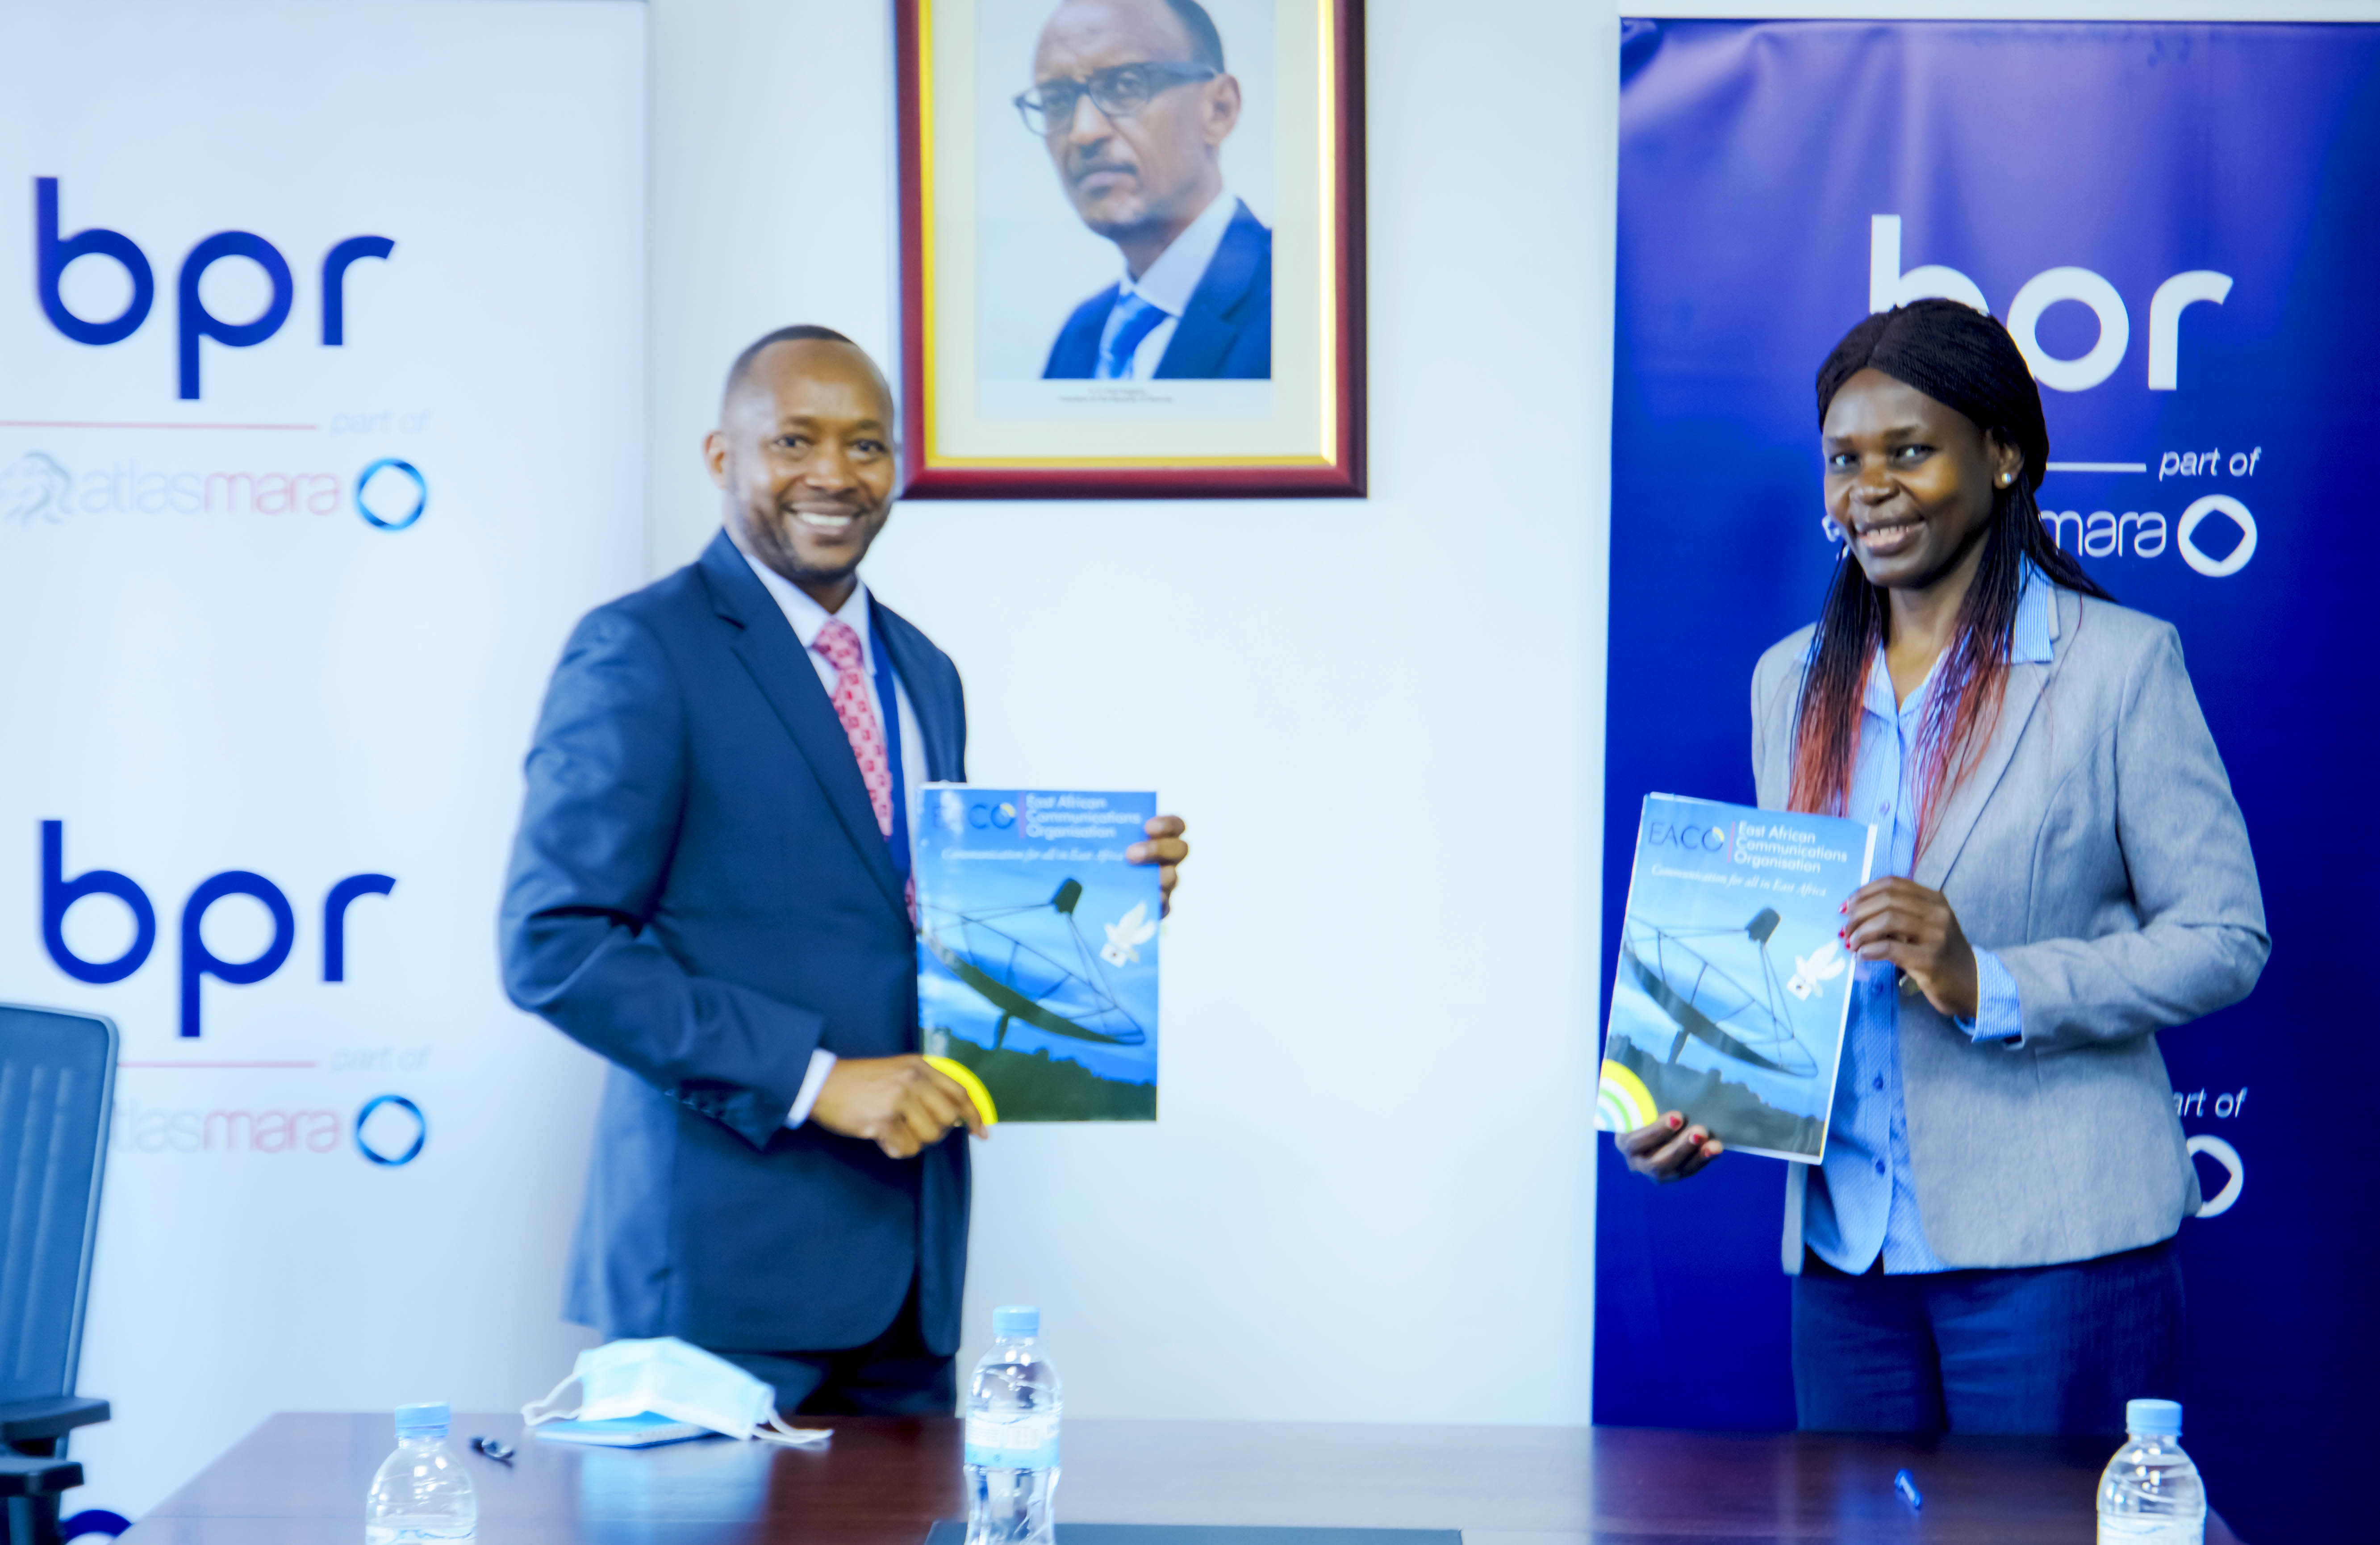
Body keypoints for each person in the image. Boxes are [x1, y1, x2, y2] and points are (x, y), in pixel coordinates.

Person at [499, 325, 1190, 1414]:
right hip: (716, 1283)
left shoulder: (924, 670)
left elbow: (902, 918)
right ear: (722, 458)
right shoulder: (641, 648)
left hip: (907, 1287)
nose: (834, 474)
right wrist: (816, 1079)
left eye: (867, 445)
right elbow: (557, 946)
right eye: (794, 440)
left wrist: (1097, 912)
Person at [1616, 299, 2267, 1435]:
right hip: (1843, 1258)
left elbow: (2223, 937)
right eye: (1842, 460)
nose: (1868, 487)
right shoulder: (1790, 680)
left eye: (1908, 451)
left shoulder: (2117, 667)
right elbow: (1785, 949)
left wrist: (1989, 981)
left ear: (2003, 455)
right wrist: (1700, 1090)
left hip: (2056, 1253)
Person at [1020, 0, 1270, 380]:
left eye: (1126, 86)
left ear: (1220, 109)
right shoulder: (1078, 341)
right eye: (1056, 101)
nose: (1084, 132)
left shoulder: (1306, 306)